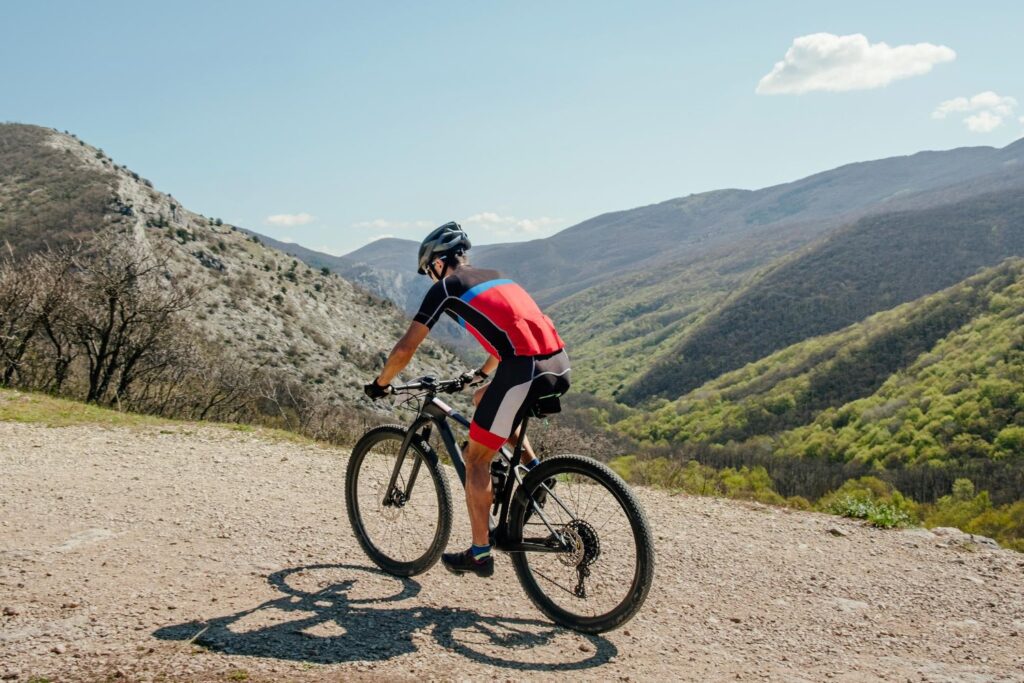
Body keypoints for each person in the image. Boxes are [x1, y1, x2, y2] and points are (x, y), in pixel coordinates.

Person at [364, 221, 570, 578]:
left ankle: (479, 553)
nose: (431, 277)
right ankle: (536, 473)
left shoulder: (446, 288)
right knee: (483, 396)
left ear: (438, 264)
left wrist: (381, 383)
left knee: (476, 460)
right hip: (557, 363)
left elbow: (406, 347)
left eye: (429, 271)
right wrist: (483, 372)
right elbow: (513, 328)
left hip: (523, 369)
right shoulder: (499, 276)